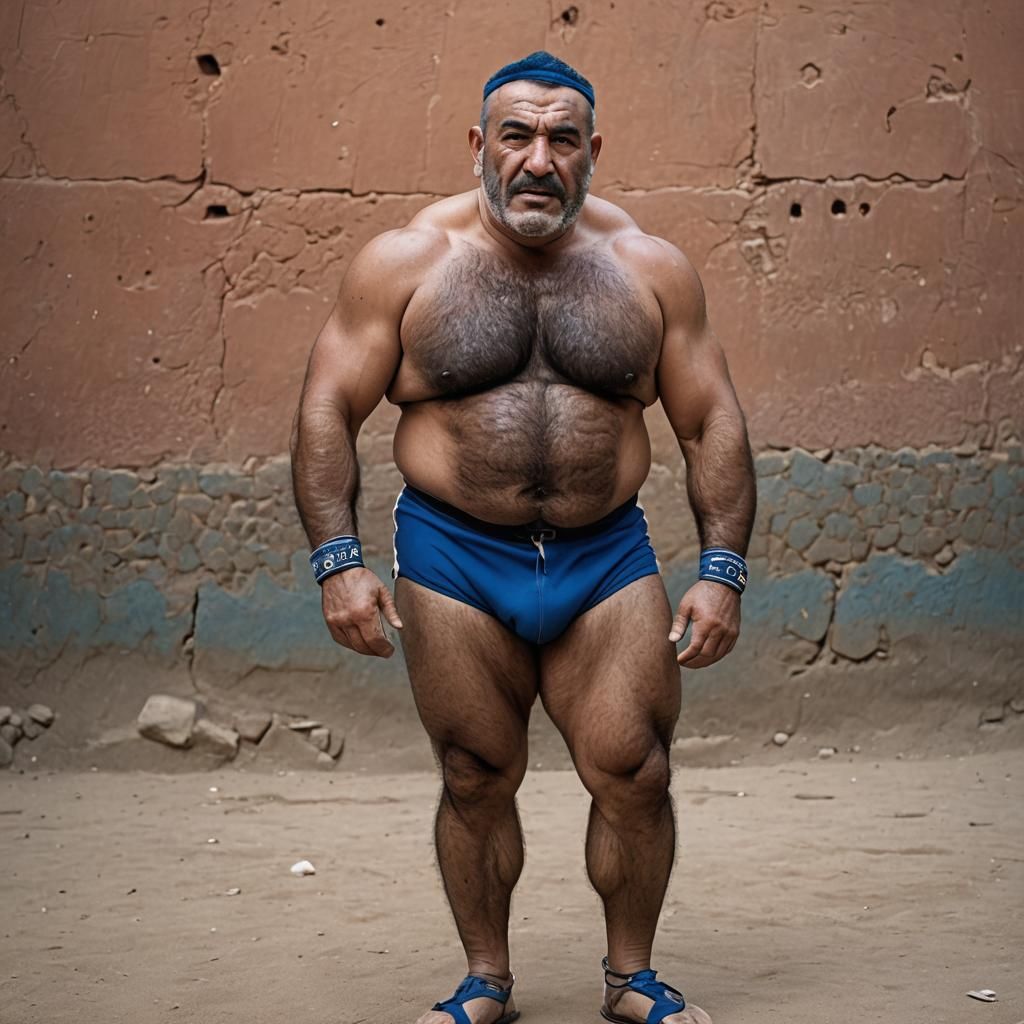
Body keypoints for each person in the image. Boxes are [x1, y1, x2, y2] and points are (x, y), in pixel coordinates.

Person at [291, 51, 755, 1024]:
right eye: (517, 135)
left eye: (561, 139)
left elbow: (709, 418)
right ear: (479, 144)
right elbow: (328, 402)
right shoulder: (407, 262)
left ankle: (632, 978)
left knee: (635, 768)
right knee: (475, 772)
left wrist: (722, 569)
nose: (539, 159)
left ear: (593, 150)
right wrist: (338, 561)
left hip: (604, 555)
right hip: (455, 555)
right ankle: (485, 980)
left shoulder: (648, 270)